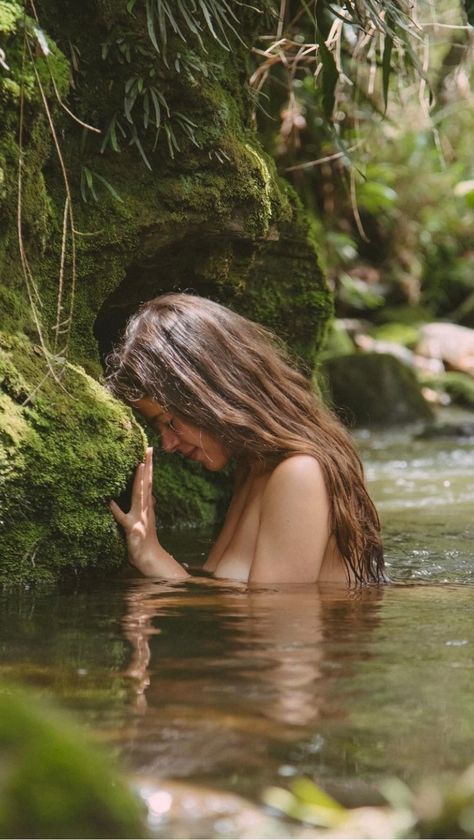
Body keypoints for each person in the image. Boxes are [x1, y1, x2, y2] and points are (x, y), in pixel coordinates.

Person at [106, 293, 384, 585]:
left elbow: (274, 618)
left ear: (211, 395)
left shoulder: (300, 473)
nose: (168, 444)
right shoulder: (254, 467)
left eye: (171, 423)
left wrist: (151, 556)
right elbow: (229, 591)